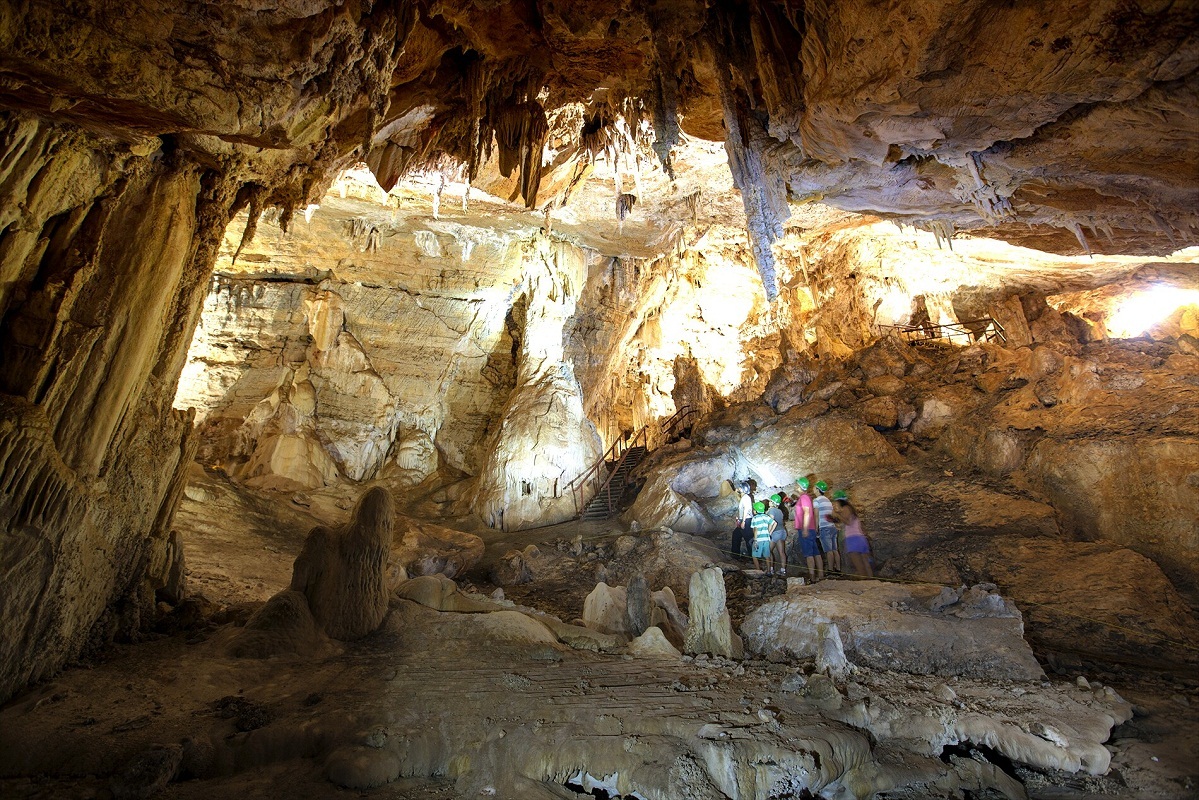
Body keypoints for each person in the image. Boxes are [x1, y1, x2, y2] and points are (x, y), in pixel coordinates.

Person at [832, 491, 872, 578]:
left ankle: (866, 585)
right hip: (860, 538)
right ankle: (872, 583)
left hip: (853, 539)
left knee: (859, 566)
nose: (834, 505)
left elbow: (848, 522)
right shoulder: (850, 509)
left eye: (835, 503)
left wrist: (838, 516)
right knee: (866, 564)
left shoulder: (846, 508)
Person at [794, 476, 823, 582]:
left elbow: (806, 512)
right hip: (810, 528)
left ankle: (812, 577)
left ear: (800, 486)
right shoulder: (805, 497)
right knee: (816, 552)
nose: (795, 485)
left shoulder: (804, 498)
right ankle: (821, 575)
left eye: (797, 484)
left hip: (806, 529)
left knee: (809, 554)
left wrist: (805, 529)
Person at [812, 480, 841, 575]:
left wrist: (816, 528)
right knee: (834, 549)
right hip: (832, 527)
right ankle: (838, 570)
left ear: (817, 489)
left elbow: (816, 515)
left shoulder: (816, 500)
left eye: (814, 487)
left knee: (828, 550)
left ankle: (830, 570)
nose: (813, 489)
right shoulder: (827, 500)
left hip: (824, 527)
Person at [749, 500, 775, 573]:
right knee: (767, 556)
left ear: (756, 511)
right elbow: (774, 523)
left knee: (754, 556)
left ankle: (758, 570)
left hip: (759, 539)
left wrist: (755, 540)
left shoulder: (755, 518)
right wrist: (769, 532)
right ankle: (769, 571)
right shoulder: (766, 516)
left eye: (754, 509)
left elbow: (755, 529)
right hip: (766, 539)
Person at [731, 481, 754, 558]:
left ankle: (753, 557)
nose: (738, 488)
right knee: (736, 535)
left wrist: (743, 521)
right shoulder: (744, 497)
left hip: (747, 520)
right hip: (743, 520)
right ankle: (735, 555)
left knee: (749, 539)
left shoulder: (746, 498)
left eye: (740, 487)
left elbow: (746, 510)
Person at [767, 493, 787, 576]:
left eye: (770, 501)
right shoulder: (780, 511)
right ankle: (783, 570)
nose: (769, 502)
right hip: (782, 532)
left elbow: (771, 522)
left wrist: (768, 532)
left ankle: (770, 569)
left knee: (768, 551)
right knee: (782, 552)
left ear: (773, 502)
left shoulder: (772, 510)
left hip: (775, 532)